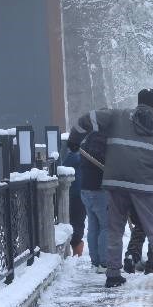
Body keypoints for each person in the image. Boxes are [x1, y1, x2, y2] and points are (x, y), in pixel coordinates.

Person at [71, 88, 153, 288]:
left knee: (115, 228)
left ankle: (113, 274)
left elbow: (87, 119)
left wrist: (74, 140)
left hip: (116, 182)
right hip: (145, 185)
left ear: (138, 101)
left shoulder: (117, 116)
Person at [67, 112, 109, 273]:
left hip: (86, 189)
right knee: (106, 225)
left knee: (93, 226)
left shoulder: (87, 140)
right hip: (99, 190)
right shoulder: (104, 141)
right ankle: (104, 263)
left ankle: (96, 261)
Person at [123, 153, 153, 274]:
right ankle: (152, 264)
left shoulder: (134, 143)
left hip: (137, 192)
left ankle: (132, 255)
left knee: (140, 226)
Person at [62, 150, 86, 257]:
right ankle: (77, 247)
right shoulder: (83, 157)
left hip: (70, 193)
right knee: (79, 222)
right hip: (81, 193)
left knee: (73, 221)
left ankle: (76, 246)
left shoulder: (69, 157)